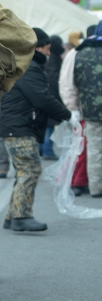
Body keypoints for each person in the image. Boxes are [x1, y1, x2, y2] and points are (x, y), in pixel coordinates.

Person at [0, 28, 72, 232]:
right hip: (19, 127)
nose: (49, 53)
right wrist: (67, 115)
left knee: (24, 170)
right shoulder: (29, 68)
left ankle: (12, 216)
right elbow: (42, 98)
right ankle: (22, 215)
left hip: (17, 126)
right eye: (47, 49)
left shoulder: (26, 66)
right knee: (30, 169)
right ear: (37, 47)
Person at [60, 25, 97, 196]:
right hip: (82, 110)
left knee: (87, 146)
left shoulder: (78, 53)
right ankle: (77, 181)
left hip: (86, 109)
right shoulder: (76, 54)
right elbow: (67, 83)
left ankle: (82, 180)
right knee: (81, 147)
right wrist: (72, 108)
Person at [73, 21, 102, 198]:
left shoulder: (81, 54)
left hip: (90, 110)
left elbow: (76, 81)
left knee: (94, 149)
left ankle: (96, 188)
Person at [41, 35, 65, 160]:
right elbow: (54, 78)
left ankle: (44, 149)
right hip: (52, 95)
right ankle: (47, 150)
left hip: (49, 94)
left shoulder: (49, 58)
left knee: (47, 124)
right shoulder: (53, 59)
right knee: (49, 125)